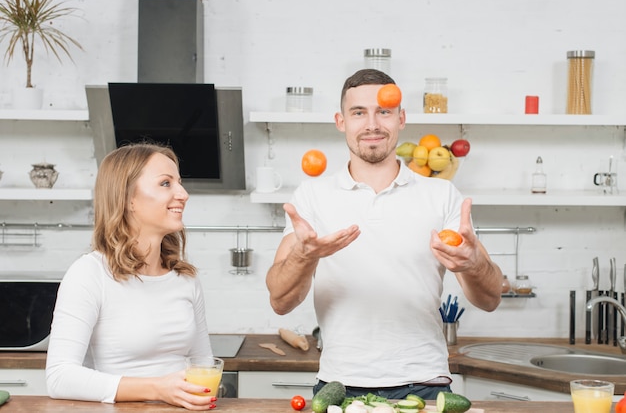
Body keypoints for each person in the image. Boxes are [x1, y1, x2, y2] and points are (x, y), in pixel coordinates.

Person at [266, 69, 503, 400]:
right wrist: (304, 255)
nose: (372, 124)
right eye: (359, 112)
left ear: (401, 118)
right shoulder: (311, 195)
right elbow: (280, 301)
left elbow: (490, 299)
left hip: (426, 383)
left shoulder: (441, 194)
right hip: (339, 386)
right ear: (341, 121)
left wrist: (473, 263)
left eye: (384, 111)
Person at [46, 143, 217, 411]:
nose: (183, 194)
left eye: (179, 183)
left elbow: (204, 364)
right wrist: (158, 388)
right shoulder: (90, 274)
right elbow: (59, 376)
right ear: (127, 199)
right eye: (165, 183)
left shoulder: (185, 278)